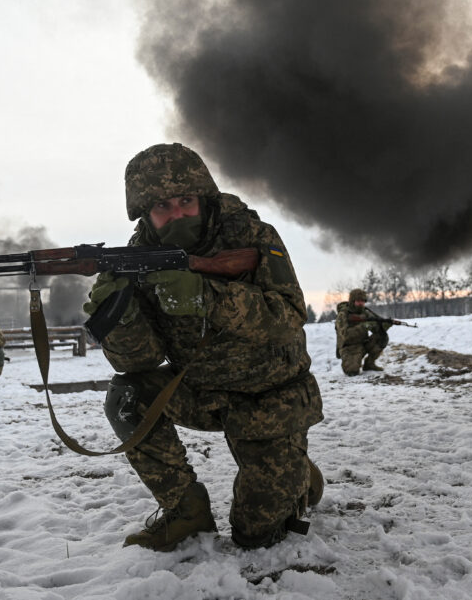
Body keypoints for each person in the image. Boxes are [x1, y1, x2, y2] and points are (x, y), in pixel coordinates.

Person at [83, 143, 324, 552]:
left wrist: (206, 297)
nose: (177, 214)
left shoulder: (250, 234)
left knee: (256, 537)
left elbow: (287, 318)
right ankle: (186, 512)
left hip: (270, 399)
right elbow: (140, 361)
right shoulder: (138, 257)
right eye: (162, 206)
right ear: (145, 213)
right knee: (128, 396)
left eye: (185, 201)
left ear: (203, 196)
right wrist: (118, 317)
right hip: (200, 392)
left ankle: (297, 473)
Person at [334, 288, 394, 376]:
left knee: (382, 337)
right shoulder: (343, 315)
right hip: (349, 348)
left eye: (363, 301)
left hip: (364, 344)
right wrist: (365, 326)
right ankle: (354, 362)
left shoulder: (365, 312)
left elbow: (376, 328)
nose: (361, 303)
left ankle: (369, 364)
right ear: (352, 301)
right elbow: (346, 336)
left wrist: (385, 325)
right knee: (352, 372)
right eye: (358, 301)